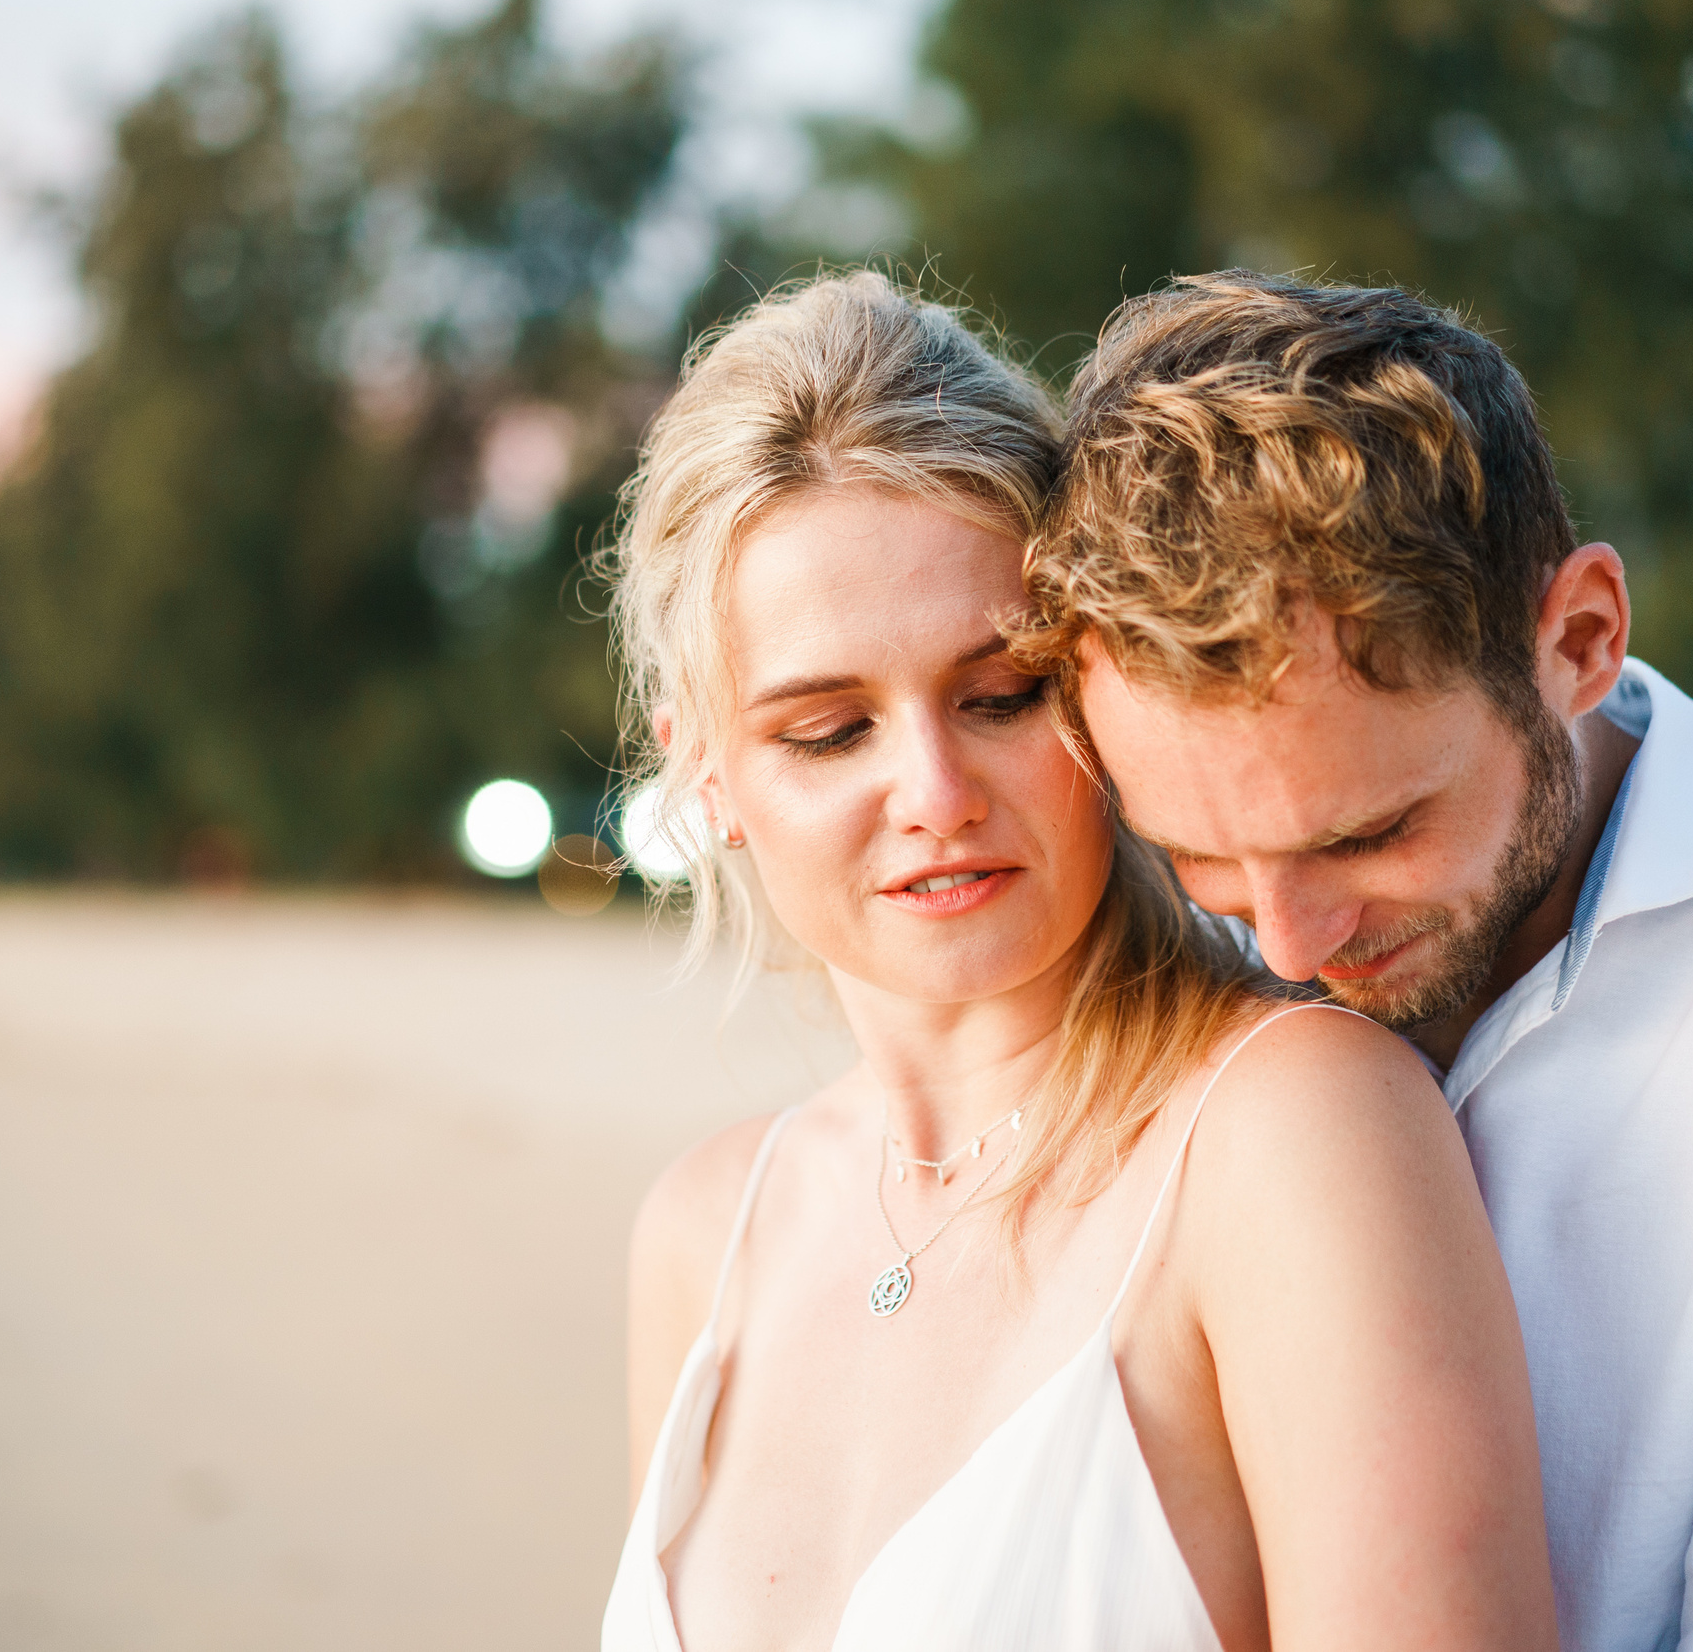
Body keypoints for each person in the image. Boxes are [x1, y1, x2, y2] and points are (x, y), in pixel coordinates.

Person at [1016, 272, 1693, 1651]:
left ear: (1577, 638)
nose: (1283, 942)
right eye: (1200, 856)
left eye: (1371, 832)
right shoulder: (1171, 975)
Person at [599, 270, 1558, 1650]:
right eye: (828, 731)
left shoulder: (1290, 1129)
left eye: (1001, 697)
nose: (934, 790)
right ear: (706, 771)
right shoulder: (706, 1233)